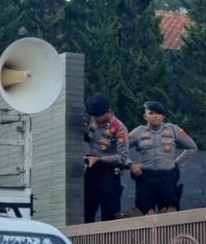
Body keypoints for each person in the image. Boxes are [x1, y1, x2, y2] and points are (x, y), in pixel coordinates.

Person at [128, 100, 197, 214]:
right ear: (145, 116)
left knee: (169, 213)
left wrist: (177, 163)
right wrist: (130, 164)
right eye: (151, 113)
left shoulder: (173, 130)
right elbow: (120, 150)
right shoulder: (138, 132)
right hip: (146, 177)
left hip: (167, 178)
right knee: (142, 213)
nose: (155, 116)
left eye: (158, 113)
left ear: (163, 116)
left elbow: (192, 147)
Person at [83, 94, 129, 222]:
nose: (96, 119)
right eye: (93, 116)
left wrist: (100, 159)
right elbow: (89, 138)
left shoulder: (119, 127)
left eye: (98, 116)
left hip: (109, 173)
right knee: (87, 211)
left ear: (108, 111)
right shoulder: (92, 120)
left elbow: (122, 156)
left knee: (109, 213)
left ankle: (109, 242)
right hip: (92, 170)